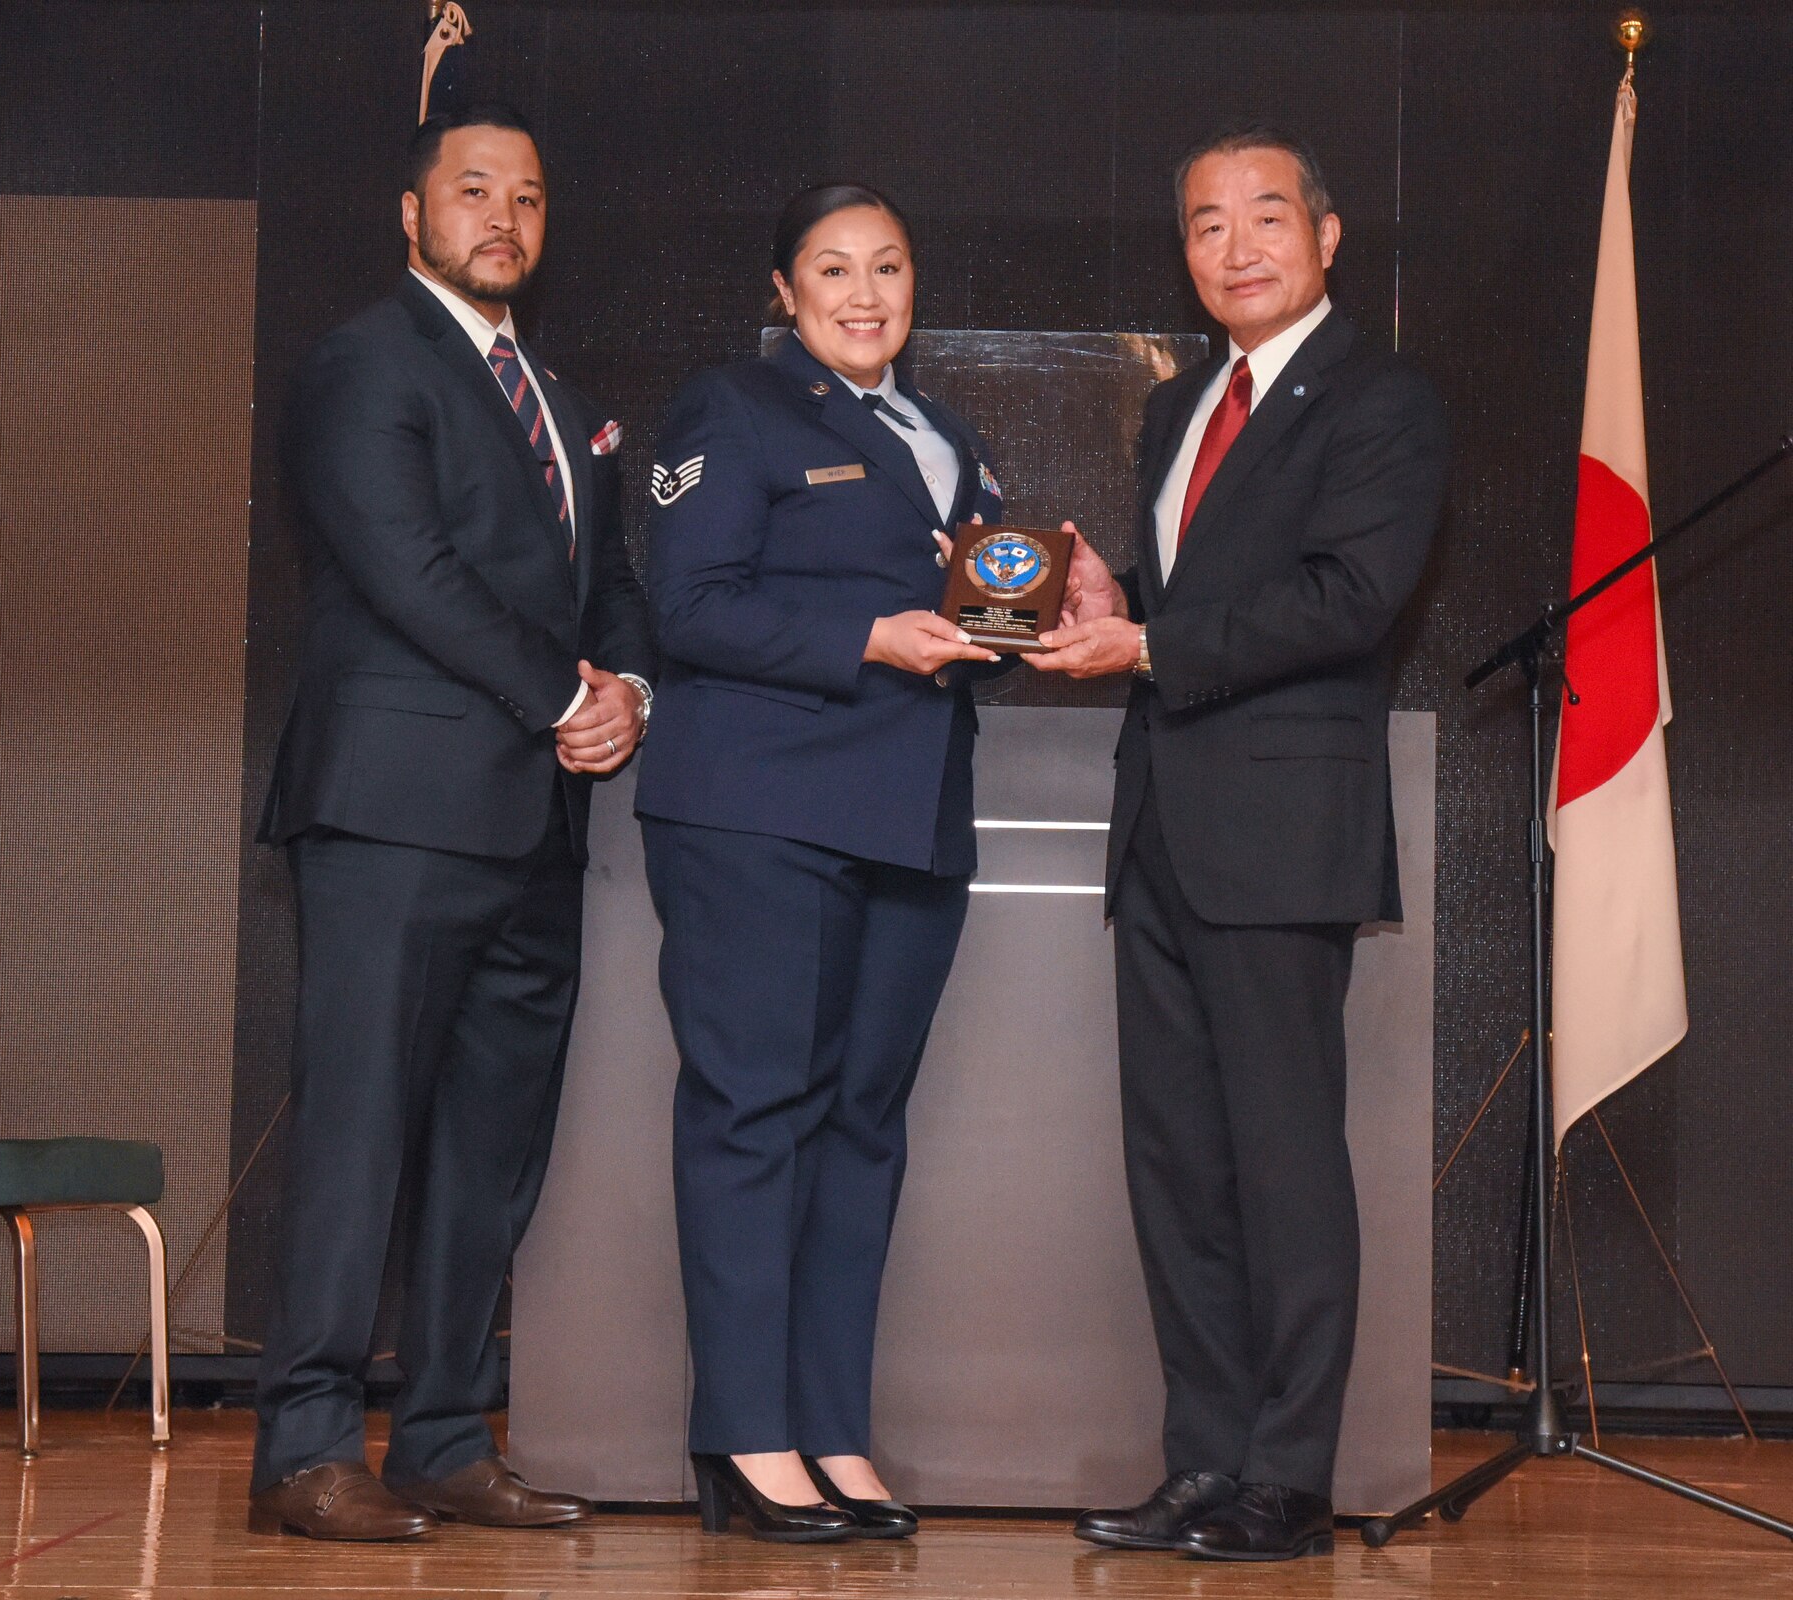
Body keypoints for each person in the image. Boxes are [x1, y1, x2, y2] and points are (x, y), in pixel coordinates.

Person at [1030, 127, 1448, 1561]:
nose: (1237, 247)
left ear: (1328, 239)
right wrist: (1118, 592)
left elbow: (1346, 599)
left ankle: (1290, 1477)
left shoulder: (1381, 400)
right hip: (1159, 832)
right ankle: (1203, 1464)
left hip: (1280, 838)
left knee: (1280, 1168)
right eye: (1206, 225)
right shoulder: (1180, 407)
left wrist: (1151, 637)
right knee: (1181, 1176)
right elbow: (1211, 594)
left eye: (1267, 217)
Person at [247, 104, 656, 1542]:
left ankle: (437, 1436)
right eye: (473, 190)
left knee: (492, 1152)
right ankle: (304, 1447)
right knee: (360, 1132)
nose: (503, 217)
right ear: (409, 214)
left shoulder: (553, 390)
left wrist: (629, 695)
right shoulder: (369, 361)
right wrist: (563, 696)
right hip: (395, 815)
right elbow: (408, 568)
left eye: (529, 198)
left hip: (533, 825)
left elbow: (606, 577)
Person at [635, 183, 1012, 1543]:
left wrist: (1060, 608)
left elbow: (985, 597)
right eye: (834, 270)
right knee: (754, 1119)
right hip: (762, 815)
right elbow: (688, 604)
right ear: (785, 290)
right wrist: (864, 642)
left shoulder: (947, 435)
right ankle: (743, 1439)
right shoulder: (731, 409)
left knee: (860, 1131)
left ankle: (831, 1433)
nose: (864, 294)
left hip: (910, 820)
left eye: (889, 268)